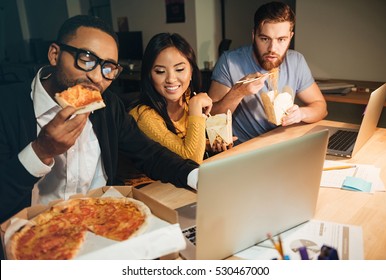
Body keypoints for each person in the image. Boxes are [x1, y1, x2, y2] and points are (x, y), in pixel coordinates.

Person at [0, 15, 199, 225]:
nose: (97, 77)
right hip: (35, 235)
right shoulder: (7, 107)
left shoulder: (109, 105)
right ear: (55, 54)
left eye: (108, 68)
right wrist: (41, 151)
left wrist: (197, 177)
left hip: (103, 225)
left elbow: (149, 154)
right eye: (86, 60)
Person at [208, 1, 327, 144]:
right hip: (246, 150)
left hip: (284, 144)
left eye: (281, 39)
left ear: (290, 37)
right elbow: (212, 117)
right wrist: (238, 92)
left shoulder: (296, 61)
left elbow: (321, 107)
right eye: (265, 39)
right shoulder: (229, 61)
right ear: (254, 35)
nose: (272, 48)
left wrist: (301, 114)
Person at [129, 33, 213, 164]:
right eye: (160, 72)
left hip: (177, 182)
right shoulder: (143, 115)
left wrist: (209, 144)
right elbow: (191, 161)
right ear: (149, 76)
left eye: (179, 69)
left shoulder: (186, 99)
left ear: (191, 72)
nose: (171, 79)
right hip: (146, 184)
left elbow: (179, 146)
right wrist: (195, 106)